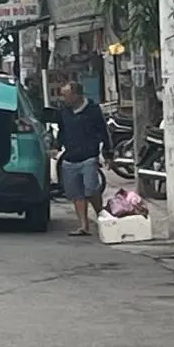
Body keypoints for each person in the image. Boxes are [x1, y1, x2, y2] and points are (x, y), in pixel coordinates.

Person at [56, 80, 112, 236]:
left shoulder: (93, 110)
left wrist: (108, 153)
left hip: (89, 156)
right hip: (70, 157)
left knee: (91, 188)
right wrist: (57, 146)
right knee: (76, 194)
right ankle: (83, 225)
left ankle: (101, 215)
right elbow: (62, 131)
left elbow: (103, 132)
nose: (64, 99)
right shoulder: (64, 112)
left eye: (66, 96)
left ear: (76, 95)